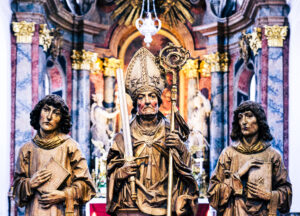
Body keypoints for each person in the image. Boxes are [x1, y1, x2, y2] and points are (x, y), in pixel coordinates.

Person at [106, 48, 199, 216]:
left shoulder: (171, 132)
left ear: (158, 100)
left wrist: (180, 147)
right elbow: (111, 175)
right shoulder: (122, 138)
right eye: (141, 97)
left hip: (166, 203)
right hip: (131, 206)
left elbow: (187, 170)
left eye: (152, 96)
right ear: (135, 103)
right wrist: (121, 173)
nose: (147, 101)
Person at [13, 94, 96, 216]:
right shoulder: (26, 150)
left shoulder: (71, 147)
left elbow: (87, 187)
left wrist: (64, 195)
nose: (49, 117)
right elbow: (15, 191)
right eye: (46, 110)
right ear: (39, 113)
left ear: (62, 119)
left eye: (56, 113)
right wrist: (30, 184)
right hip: (35, 210)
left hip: (62, 211)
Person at [208, 101, 292, 215]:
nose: (244, 121)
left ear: (259, 120)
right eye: (240, 117)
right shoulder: (228, 154)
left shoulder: (273, 156)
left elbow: (287, 194)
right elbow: (213, 195)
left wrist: (270, 195)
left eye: (249, 115)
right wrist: (238, 175)